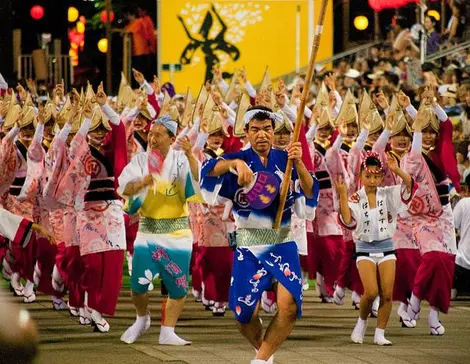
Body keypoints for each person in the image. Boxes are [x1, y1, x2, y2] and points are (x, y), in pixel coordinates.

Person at [200, 106, 318, 364]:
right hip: (249, 245)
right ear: (246, 132)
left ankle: (261, 360)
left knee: (289, 307)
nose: (262, 134)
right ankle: (264, 350)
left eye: (267, 128)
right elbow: (206, 172)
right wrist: (234, 163)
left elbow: (310, 192)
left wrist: (299, 164)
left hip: (283, 241)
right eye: (255, 129)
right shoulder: (235, 159)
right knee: (243, 315)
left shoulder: (287, 159)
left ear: (274, 131)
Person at [119, 115, 201, 346]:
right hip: (148, 231)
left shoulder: (181, 159)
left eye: (158, 135)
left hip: (177, 231)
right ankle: (141, 318)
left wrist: (191, 155)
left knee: (178, 284)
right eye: (150, 134)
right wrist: (142, 183)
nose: (152, 138)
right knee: (138, 284)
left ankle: (168, 331)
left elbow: (198, 180)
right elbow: (124, 187)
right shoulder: (140, 160)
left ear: (172, 138)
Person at [336, 150, 416, 346]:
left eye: (376, 176)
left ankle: (380, 332)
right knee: (371, 292)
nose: (372, 180)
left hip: (387, 246)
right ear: (361, 176)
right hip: (364, 248)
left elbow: (410, 186)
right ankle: (361, 322)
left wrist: (397, 170)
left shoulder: (388, 193)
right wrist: (343, 197)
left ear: (382, 177)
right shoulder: (356, 198)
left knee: (387, 294)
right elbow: (348, 220)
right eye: (368, 176)